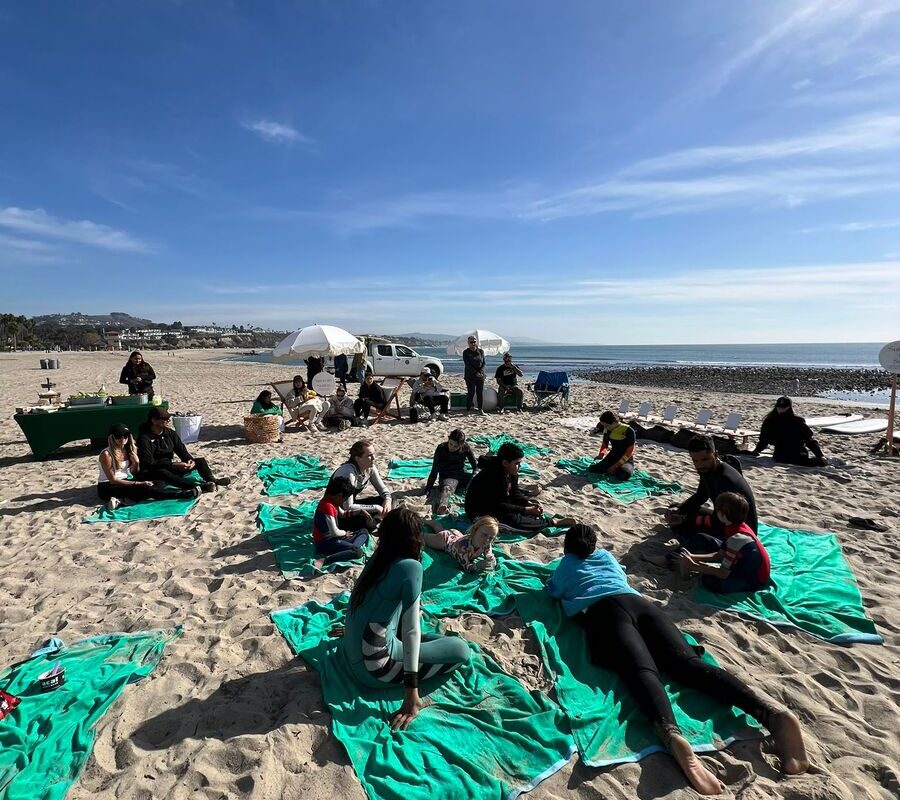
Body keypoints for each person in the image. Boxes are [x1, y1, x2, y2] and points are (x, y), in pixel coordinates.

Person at [547, 524, 808, 795]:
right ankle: (769, 712)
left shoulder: (565, 566)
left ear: (567, 547)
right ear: (594, 544)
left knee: (642, 671)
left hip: (607, 614)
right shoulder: (605, 557)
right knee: (689, 664)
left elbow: (553, 591)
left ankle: (672, 735)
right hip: (641, 605)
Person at [341, 508, 471, 729]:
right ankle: (412, 682)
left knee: (419, 628)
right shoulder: (411, 567)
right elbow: (411, 630)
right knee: (460, 649)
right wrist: (412, 692)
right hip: (374, 667)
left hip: (352, 651)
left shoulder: (379, 558)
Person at [663, 435, 758, 557]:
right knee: (677, 509)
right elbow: (701, 495)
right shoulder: (708, 470)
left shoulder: (725, 480)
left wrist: (686, 519)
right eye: (695, 461)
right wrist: (679, 510)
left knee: (693, 532)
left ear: (716, 455)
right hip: (722, 518)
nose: (700, 465)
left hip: (738, 532)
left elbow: (721, 521)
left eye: (704, 459)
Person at [677, 492, 771, 593]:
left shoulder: (736, 538)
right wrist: (692, 557)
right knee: (707, 569)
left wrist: (694, 566)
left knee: (708, 581)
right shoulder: (738, 526)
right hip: (744, 567)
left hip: (753, 580)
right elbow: (720, 555)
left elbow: (723, 573)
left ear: (722, 514)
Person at [97, 423, 199, 511]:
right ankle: (183, 494)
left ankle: (122, 501)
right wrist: (139, 483)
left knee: (157, 481)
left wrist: (136, 463)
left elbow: (134, 473)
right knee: (145, 489)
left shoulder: (129, 449)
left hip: (126, 480)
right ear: (112, 437)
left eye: (125, 436)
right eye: (118, 436)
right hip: (108, 486)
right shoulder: (107, 454)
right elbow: (113, 480)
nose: (123, 439)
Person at [136, 406, 230, 492]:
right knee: (162, 472)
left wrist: (189, 460)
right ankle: (198, 487)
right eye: (165, 419)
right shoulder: (144, 438)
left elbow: (181, 450)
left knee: (200, 461)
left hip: (170, 467)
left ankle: (212, 480)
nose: (169, 421)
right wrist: (173, 465)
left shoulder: (170, 433)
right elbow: (148, 463)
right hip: (155, 470)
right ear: (154, 420)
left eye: (169, 418)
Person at [465, 442, 549, 532]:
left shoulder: (511, 472)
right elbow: (498, 505)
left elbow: (515, 493)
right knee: (513, 520)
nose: (519, 466)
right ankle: (552, 522)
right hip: (480, 510)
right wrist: (526, 510)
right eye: (517, 463)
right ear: (505, 463)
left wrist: (527, 503)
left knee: (522, 509)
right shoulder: (492, 475)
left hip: (498, 504)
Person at [313, 476, 375, 564]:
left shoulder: (332, 501)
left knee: (364, 531)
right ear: (340, 495)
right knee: (358, 552)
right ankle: (325, 560)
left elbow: (342, 514)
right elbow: (334, 532)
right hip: (325, 543)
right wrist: (345, 533)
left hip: (335, 539)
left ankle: (349, 549)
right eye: (345, 499)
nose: (344, 502)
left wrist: (358, 512)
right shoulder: (327, 506)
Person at [751, 396, 827, 467]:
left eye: (783, 408)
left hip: (798, 452)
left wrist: (820, 455)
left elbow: (809, 440)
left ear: (789, 408)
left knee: (812, 461)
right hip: (781, 454)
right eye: (779, 407)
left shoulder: (798, 421)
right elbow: (764, 439)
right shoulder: (770, 421)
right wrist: (756, 451)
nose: (781, 410)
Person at [331, 440, 392, 517]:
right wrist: (376, 508)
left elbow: (382, 489)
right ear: (357, 458)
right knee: (363, 517)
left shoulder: (370, 468)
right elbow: (347, 507)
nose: (374, 458)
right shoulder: (348, 474)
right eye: (369, 455)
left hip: (352, 504)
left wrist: (387, 500)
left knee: (388, 502)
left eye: (374, 454)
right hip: (339, 512)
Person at [424, 429, 478, 514]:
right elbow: (434, 470)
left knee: (481, 480)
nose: (452, 447)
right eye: (451, 444)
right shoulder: (441, 448)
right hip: (447, 477)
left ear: (461, 445)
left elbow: (475, 466)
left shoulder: (465, 448)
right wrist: (428, 489)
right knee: (447, 489)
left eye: (455, 446)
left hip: (461, 474)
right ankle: (443, 506)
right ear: (448, 439)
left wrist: (473, 477)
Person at [422, 515, 498, 573]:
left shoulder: (486, 543)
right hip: (445, 540)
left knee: (439, 529)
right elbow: (466, 567)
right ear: (475, 530)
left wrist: (491, 558)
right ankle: (423, 521)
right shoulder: (462, 547)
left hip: (456, 535)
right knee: (421, 537)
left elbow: (489, 553)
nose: (487, 539)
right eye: (484, 535)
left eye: (491, 538)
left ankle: (429, 520)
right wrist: (477, 566)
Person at [589, 410, 636, 480]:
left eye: (607, 425)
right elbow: (605, 445)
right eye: (604, 426)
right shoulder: (607, 430)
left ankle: (621, 469)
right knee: (592, 469)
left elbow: (629, 452)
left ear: (614, 422)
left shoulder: (629, 430)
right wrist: (601, 455)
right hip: (612, 457)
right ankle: (613, 469)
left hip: (626, 459)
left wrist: (615, 466)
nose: (605, 427)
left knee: (623, 475)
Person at [462, 336, 486, 415]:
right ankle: (468, 410)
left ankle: (480, 410)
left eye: (474, 342)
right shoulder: (466, 352)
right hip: (470, 376)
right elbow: (467, 365)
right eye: (471, 342)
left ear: (476, 342)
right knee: (471, 392)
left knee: (480, 393)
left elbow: (483, 363)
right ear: (468, 343)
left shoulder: (481, 351)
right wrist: (476, 373)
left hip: (480, 375)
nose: (473, 344)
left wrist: (481, 372)